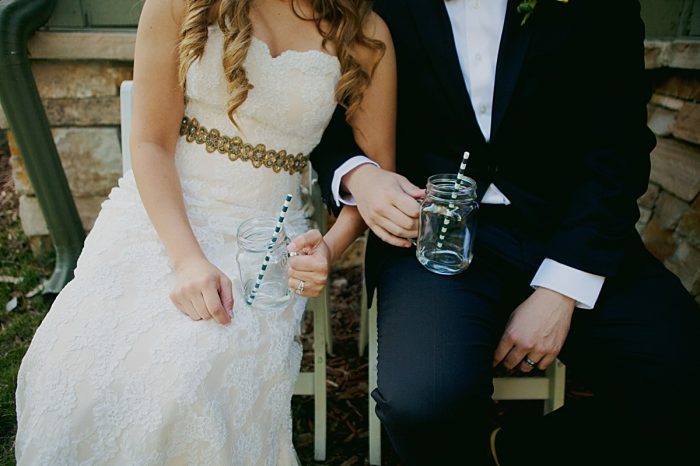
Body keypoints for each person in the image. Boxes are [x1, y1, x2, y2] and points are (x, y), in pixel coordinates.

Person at [310, 0, 700, 465]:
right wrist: (360, 174)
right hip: (432, 237)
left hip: (571, 231)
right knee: (422, 405)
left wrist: (563, 287)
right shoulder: (370, 4)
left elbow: (619, 146)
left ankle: (511, 453)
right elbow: (319, 113)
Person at [14, 0, 395, 463]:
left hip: (263, 234)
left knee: (195, 371)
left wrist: (329, 249)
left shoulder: (364, 31)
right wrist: (187, 259)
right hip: (163, 212)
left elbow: (377, 177)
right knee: (77, 359)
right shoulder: (181, 4)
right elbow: (151, 142)